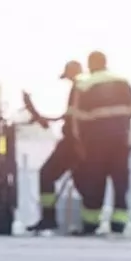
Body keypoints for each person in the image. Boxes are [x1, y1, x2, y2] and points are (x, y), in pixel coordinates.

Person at [71, 50, 131, 236]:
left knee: (94, 183)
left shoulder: (84, 85)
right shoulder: (123, 82)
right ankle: (119, 224)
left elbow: (78, 119)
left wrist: (79, 144)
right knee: (120, 182)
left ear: (90, 64)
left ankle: (91, 223)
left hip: (96, 142)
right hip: (121, 140)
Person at [27, 59, 84, 233]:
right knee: (83, 182)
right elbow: (68, 116)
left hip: (72, 143)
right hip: (80, 142)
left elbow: (74, 119)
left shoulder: (79, 88)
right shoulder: (82, 88)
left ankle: (49, 217)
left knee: (46, 175)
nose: (68, 80)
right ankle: (87, 223)